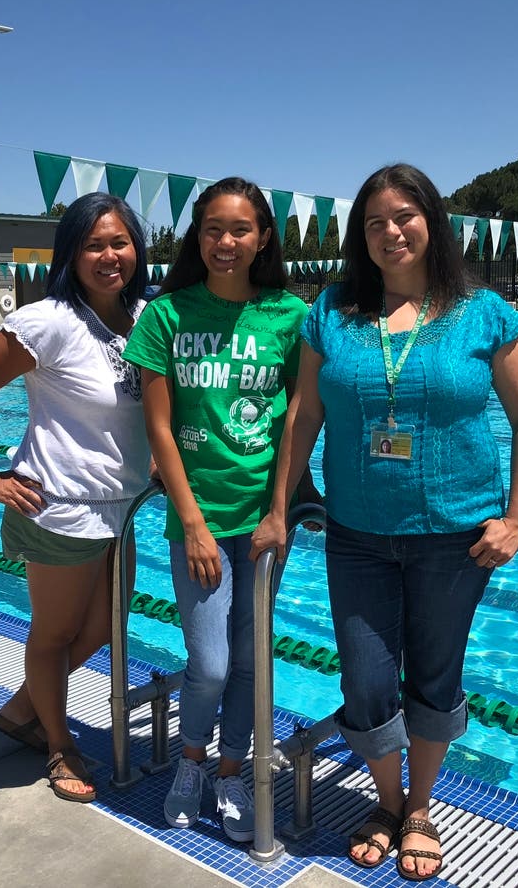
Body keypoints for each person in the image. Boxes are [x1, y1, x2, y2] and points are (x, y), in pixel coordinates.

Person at [251, 163, 518, 880]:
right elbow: (304, 415)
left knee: (436, 679)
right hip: (357, 535)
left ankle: (418, 808)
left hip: (456, 536)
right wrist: (277, 508)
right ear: (363, 235)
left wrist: (517, 517)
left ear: (432, 223)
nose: (391, 231)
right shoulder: (335, 313)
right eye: (376, 221)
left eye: (405, 216)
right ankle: (386, 802)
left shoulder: (482, 314)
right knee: (366, 680)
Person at [0, 193, 151, 804]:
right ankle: (59, 744)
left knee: (106, 627)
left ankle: (19, 711)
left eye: (120, 242)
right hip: (60, 505)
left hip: (122, 506)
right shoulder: (50, 321)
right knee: (56, 634)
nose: (110, 256)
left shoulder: (144, 317)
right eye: (94, 244)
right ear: (72, 253)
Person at [123, 177, 311, 843]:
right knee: (208, 663)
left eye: (240, 229)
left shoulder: (291, 316)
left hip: (265, 522)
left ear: (263, 237)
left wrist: (281, 510)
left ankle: (233, 773)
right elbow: (160, 429)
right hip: (197, 522)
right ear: (196, 237)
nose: (225, 242)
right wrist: (194, 522)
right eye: (212, 229)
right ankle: (193, 760)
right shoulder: (167, 317)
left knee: (250, 662)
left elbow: (299, 421)